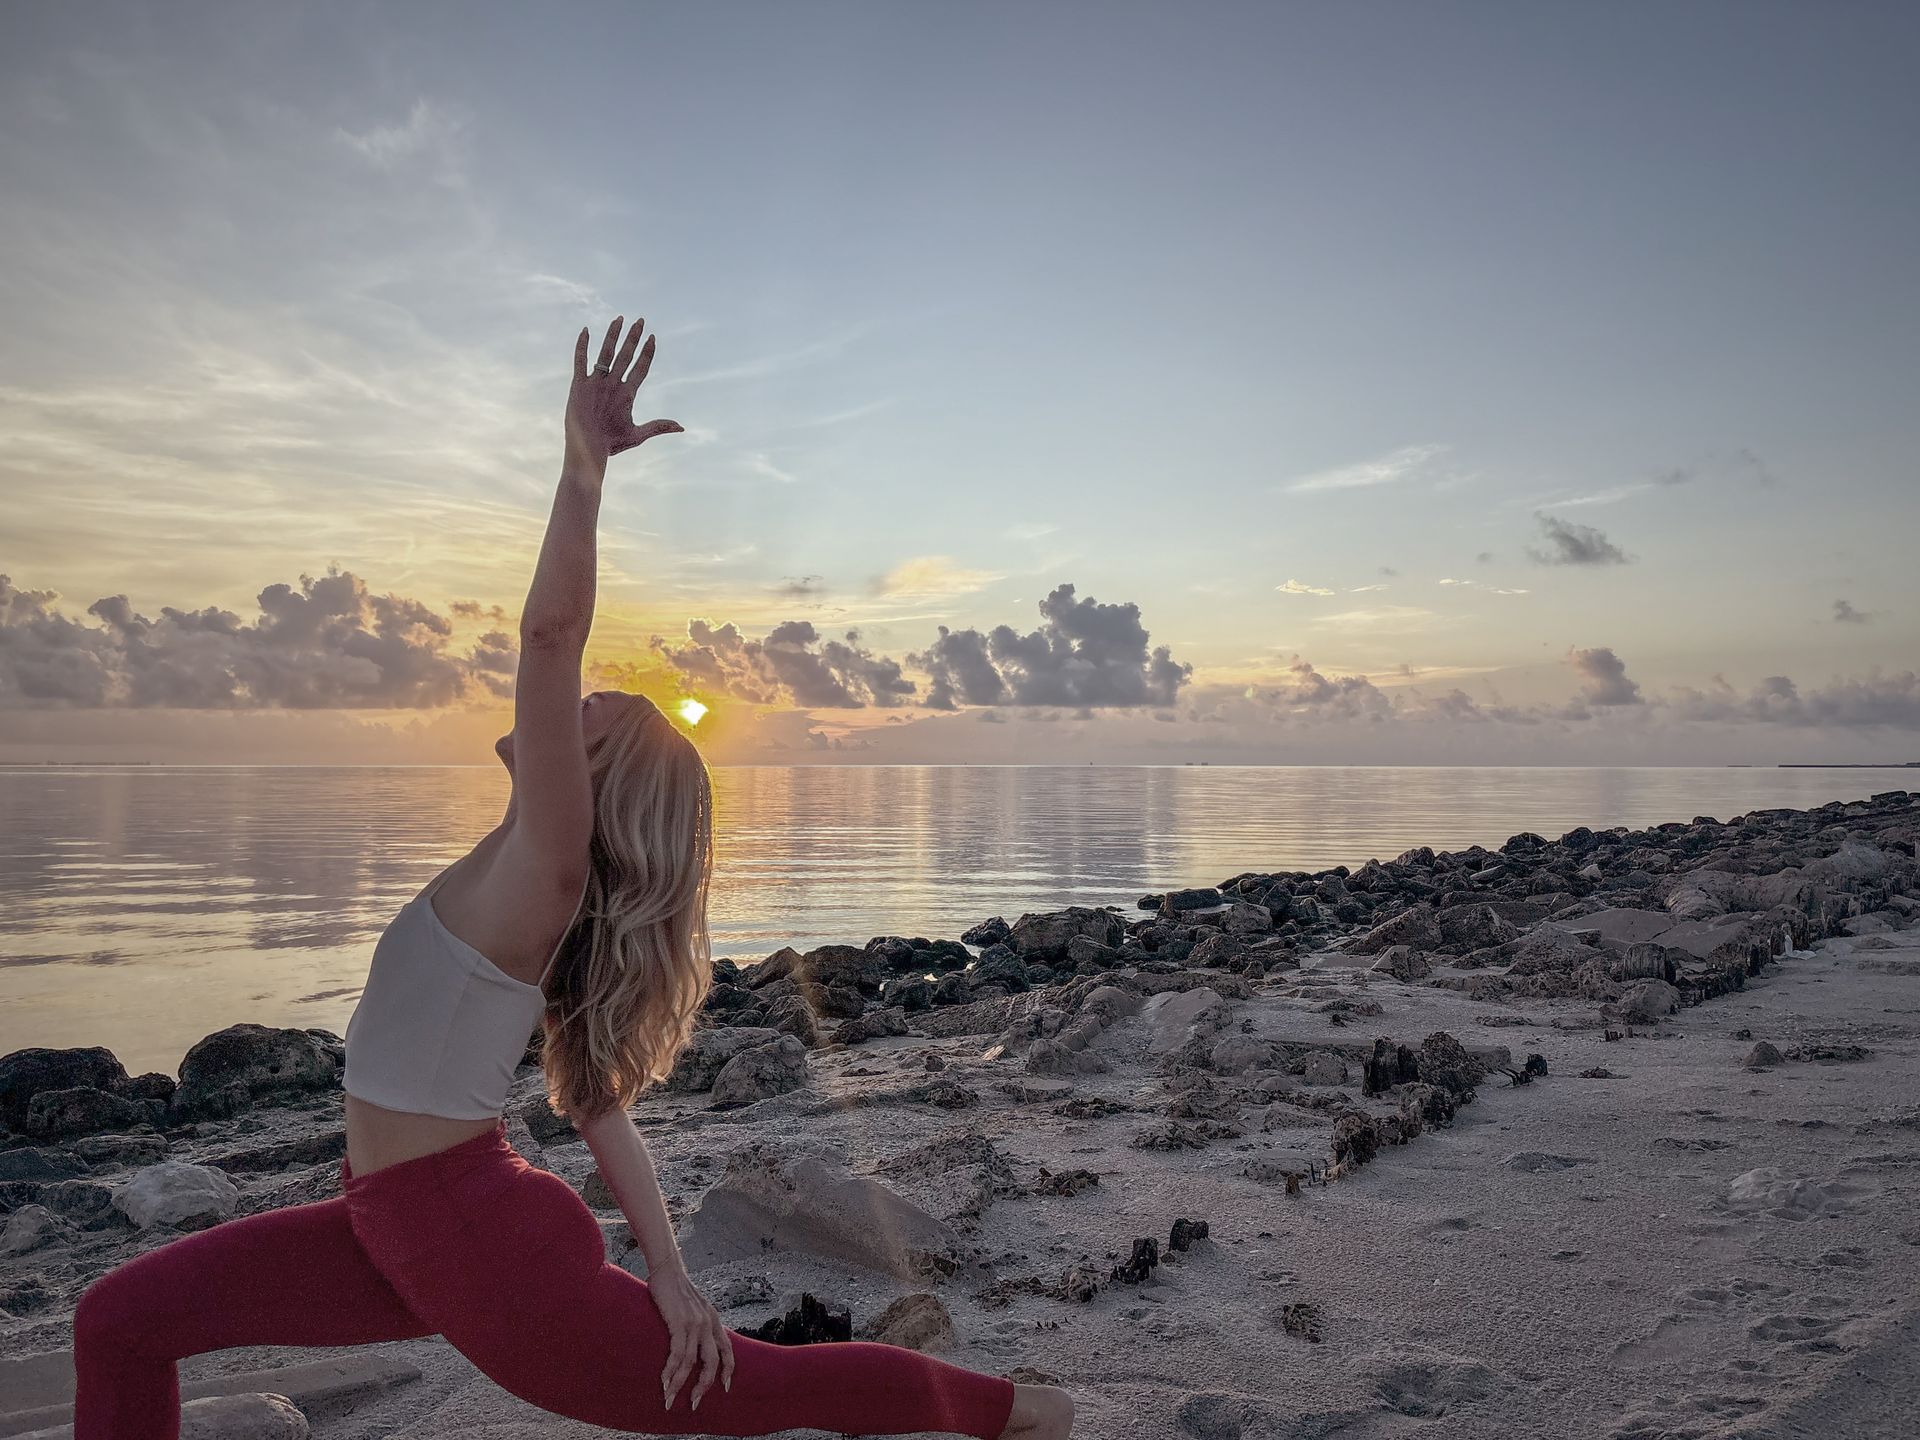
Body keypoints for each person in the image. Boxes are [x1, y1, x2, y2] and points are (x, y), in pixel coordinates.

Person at [72, 315, 1076, 1440]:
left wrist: (582, 464)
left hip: (464, 1233)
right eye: (590, 698)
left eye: (595, 714)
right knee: (119, 1320)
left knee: (758, 1392)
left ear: (591, 776)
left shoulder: (549, 860)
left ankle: (1022, 1415)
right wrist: (672, 1272)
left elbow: (550, 637)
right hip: (396, 1222)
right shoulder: (526, 880)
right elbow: (594, 1097)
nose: (571, 705)